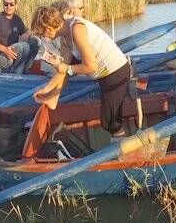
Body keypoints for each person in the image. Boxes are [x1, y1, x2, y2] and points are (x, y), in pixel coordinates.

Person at [30, 7, 130, 138]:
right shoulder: (64, 35)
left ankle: (121, 150)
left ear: (49, 28)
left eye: (42, 34)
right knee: (67, 64)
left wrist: (67, 68)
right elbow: (63, 69)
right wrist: (47, 89)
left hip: (116, 72)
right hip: (103, 74)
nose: (44, 37)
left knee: (111, 122)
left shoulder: (77, 29)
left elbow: (91, 66)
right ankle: (53, 98)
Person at [0, 0, 38, 74]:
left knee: (36, 41)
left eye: (11, 4)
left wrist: (27, 34)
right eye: (6, 4)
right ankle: (16, 73)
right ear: (3, 5)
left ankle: (26, 69)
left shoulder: (17, 19)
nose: (8, 6)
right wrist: (5, 49)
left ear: (15, 6)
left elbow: (28, 30)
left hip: (13, 54)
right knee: (23, 46)